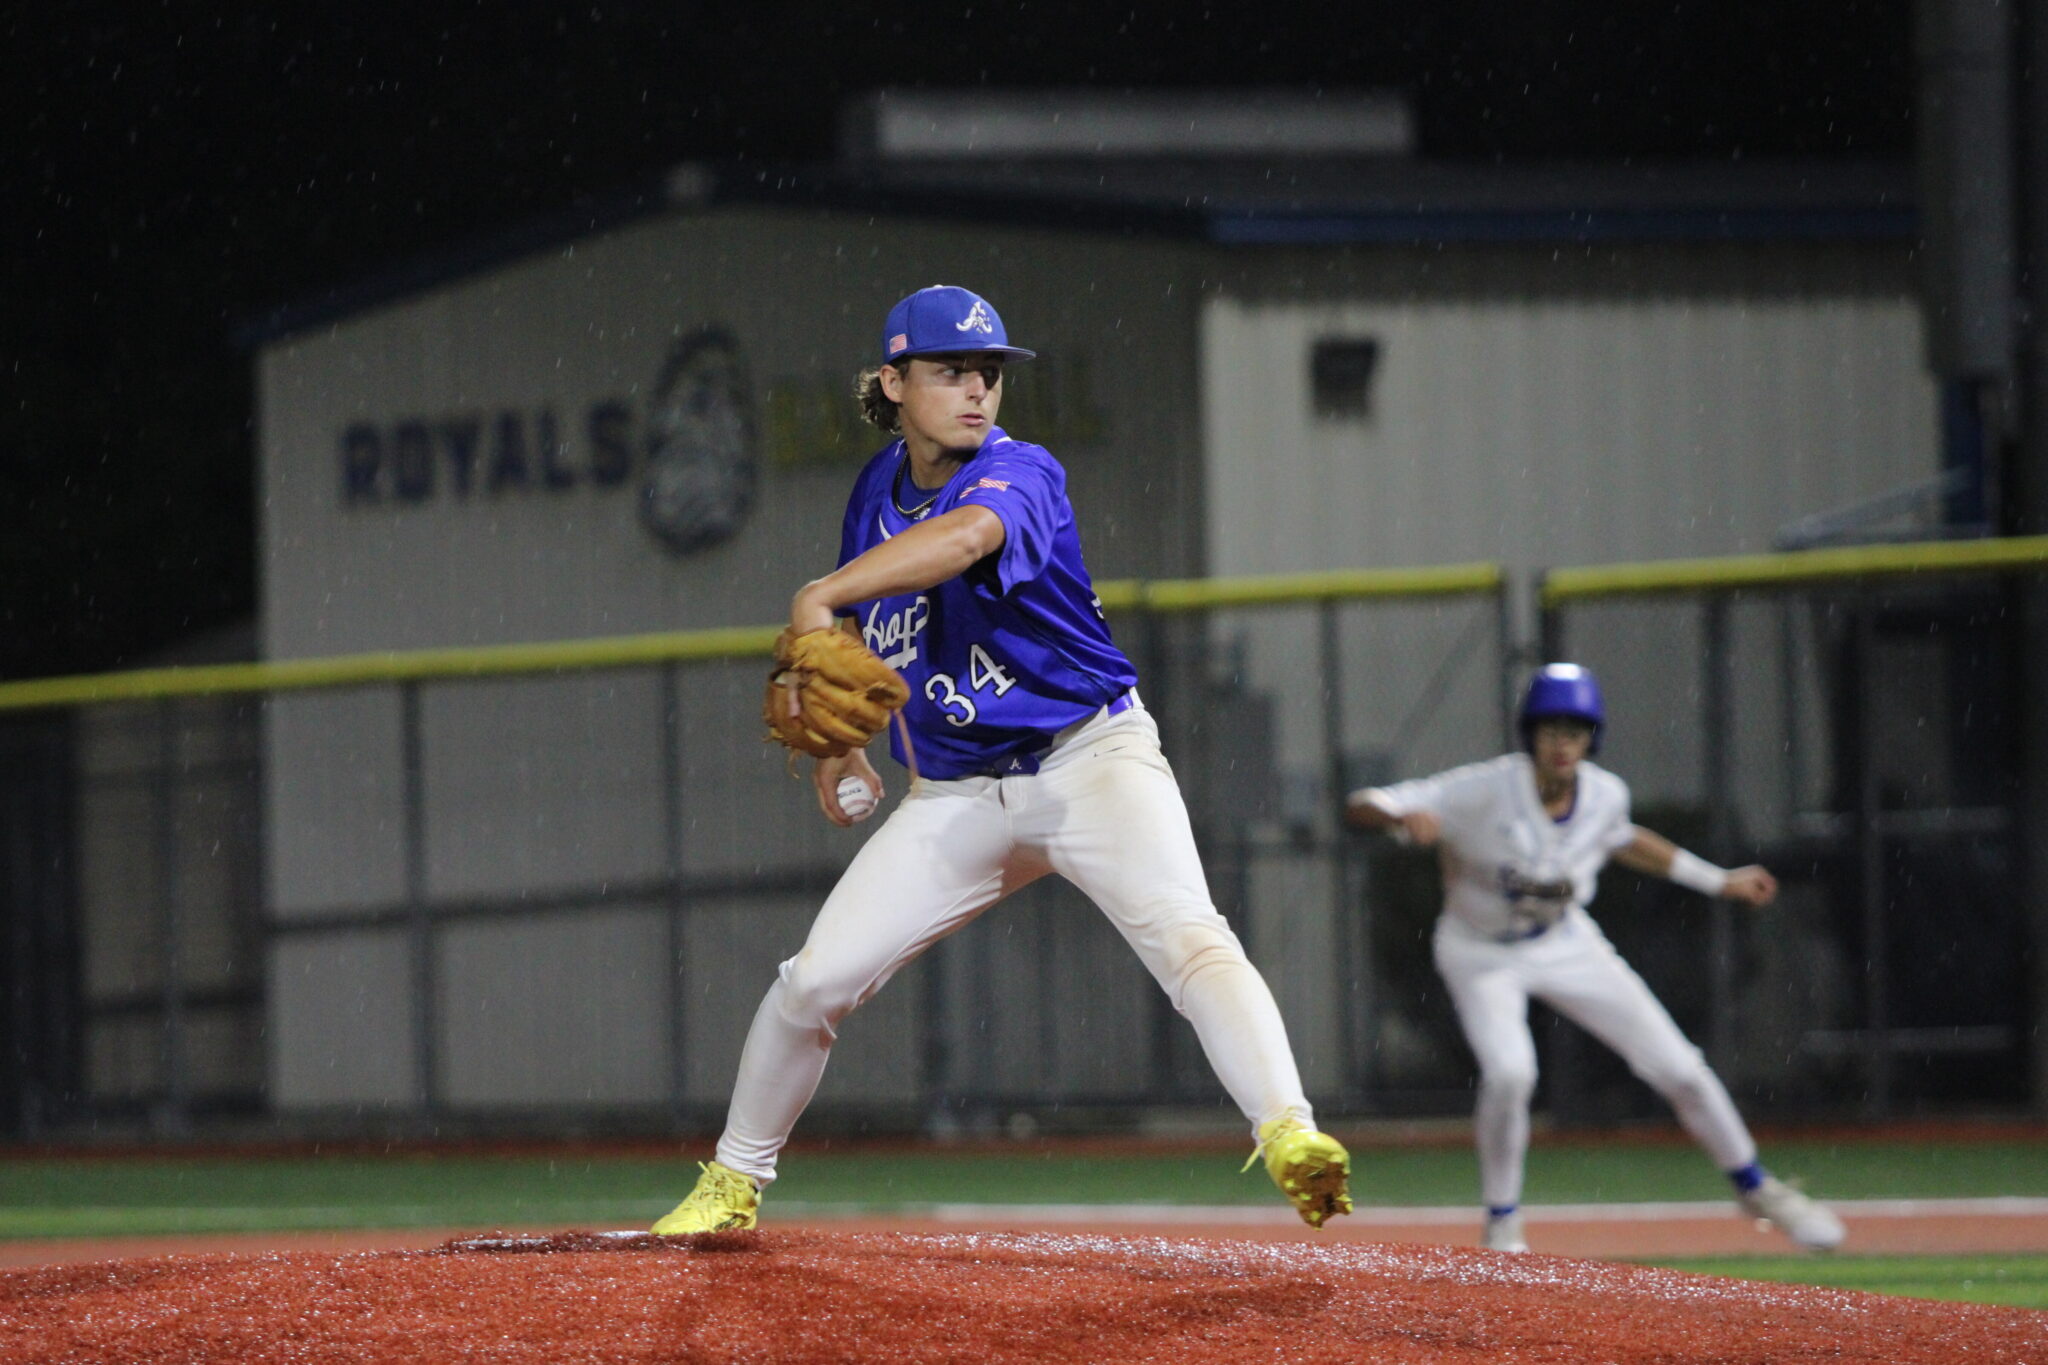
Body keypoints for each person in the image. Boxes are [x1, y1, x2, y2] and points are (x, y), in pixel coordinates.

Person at [652, 285, 1352, 1234]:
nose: (977, 390)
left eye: (988, 372)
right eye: (951, 371)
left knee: (1191, 939)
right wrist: (842, 746)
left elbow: (964, 540)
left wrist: (817, 591)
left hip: (1089, 758)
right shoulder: (874, 490)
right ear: (895, 382)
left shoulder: (1020, 470)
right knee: (813, 981)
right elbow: (857, 638)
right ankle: (733, 1183)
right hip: (956, 795)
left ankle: (1290, 1132)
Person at [1344, 663, 1845, 1254]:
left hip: (1564, 941)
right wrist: (1398, 816)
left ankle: (1758, 1191)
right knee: (1511, 1073)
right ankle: (1503, 1222)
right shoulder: (1482, 790)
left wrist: (1719, 881)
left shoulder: (1604, 795)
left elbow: (1626, 839)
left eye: (1575, 732)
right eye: (1551, 729)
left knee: (1681, 1067)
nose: (1562, 743)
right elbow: (1362, 804)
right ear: (1530, 733)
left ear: (1591, 740)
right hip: (1480, 952)